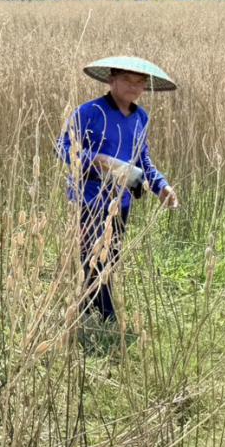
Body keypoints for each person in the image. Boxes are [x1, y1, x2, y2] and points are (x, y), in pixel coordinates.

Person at [59, 56, 180, 336]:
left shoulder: (141, 118)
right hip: (89, 199)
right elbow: (62, 148)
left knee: (110, 257)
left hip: (121, 202)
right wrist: (97, 159)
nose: (133, 87)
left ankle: (92, 314)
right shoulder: (89, 112)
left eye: (139, 83)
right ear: (111, 80)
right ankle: (105, 317)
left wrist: (162, 186)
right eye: (127, 79)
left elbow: (143, 161)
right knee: (91, 257)